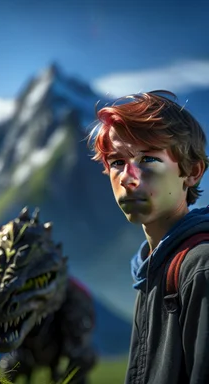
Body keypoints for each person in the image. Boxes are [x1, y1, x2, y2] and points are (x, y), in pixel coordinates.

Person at [87, 90, 209, 384]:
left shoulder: (200, 266)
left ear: (192, 172)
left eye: (148, 159)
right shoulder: (152, 267)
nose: (128, 178)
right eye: (116, 162)